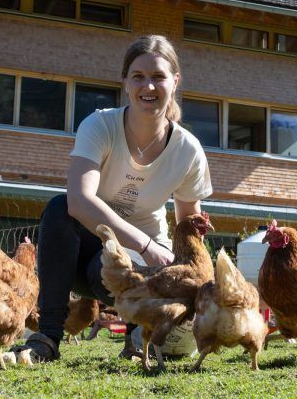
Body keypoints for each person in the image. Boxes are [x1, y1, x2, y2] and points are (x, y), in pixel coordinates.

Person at [12, 35, 213, 363]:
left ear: (175, 82)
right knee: (59, 209)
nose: (148, 86)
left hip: (141, 270)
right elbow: (79, 200)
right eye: (138, 76)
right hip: (89, 251)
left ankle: (140, 336)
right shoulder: (100, 125)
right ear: (125, 81)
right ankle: (47, 337)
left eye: (158, 77)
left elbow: (190, 229)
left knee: (105, 267)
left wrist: (183, 279)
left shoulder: (188, 151)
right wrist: (147, 245)